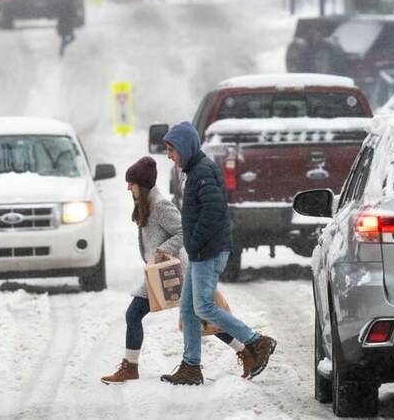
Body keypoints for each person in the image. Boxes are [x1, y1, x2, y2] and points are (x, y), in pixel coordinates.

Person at [101, 156, 255, 384]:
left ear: (141, 185)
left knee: (196, 316)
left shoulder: (161, 205)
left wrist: (162, 250)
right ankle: (244, 351)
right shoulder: (146, 205)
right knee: (193, 315)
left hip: (174, 271)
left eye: (131, 183)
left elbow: (183, 231)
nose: (127, 187)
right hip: (159, 272)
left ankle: (246, 350)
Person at [160, 122, 276, 386]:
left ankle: (256, 341)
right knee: (188, 310)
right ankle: (191, 366)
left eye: (171, 150)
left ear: (185, 148)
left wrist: (196, 243)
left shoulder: (202, 172)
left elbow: (213, 212)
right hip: (202, 250)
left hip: (208, 251)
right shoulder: (194, 170)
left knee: (203, 307)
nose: (169, 155)